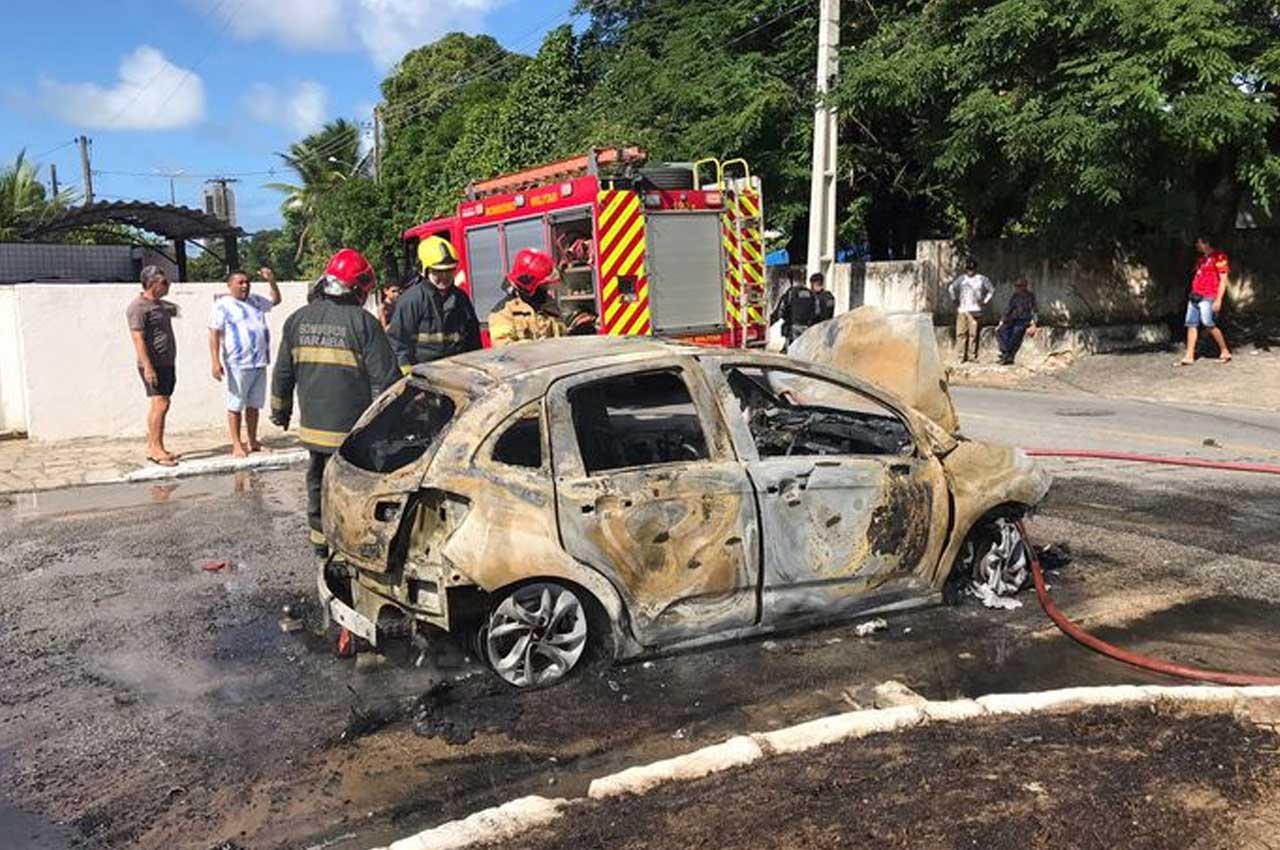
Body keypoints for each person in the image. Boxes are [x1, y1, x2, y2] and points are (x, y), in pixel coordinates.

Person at [270, 249, 400, 556]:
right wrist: (389, 427)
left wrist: (280, 411)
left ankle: (320, 548)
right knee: (353, 493)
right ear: (357, 287)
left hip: (313, 432)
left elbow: (283, 374)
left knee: (317, 486)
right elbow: (386, 381)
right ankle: (352, 550)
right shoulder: (364, 323)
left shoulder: (297, 320)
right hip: (353, 434)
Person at [209, 267, 282, 457]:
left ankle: (253, 440)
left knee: (254, 404)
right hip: (237, 363)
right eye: (240, 282)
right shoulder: (223, 305)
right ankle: (236, 443)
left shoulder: (256, 300)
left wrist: (271, 281)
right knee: (236, 404)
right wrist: (215, 361)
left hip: (259, 361)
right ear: (230, 285)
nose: (245, 286)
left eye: (247, 282)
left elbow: (276, 300)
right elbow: (214, 333)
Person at [386, 235, 481, 372]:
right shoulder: (412, 300)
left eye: (449, 271)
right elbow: (397, 342)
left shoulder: (460, 299)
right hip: (425, 376)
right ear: (424, 270)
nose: (444, 277)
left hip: (458, 374)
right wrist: (408, 373)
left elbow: (473, 339)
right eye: (438, 272)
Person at [126, 265, 180, 466]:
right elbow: (138, 339)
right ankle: (156, 449)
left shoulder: (160, 305)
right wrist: (147, 366)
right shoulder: (138, 307)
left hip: (166, 362)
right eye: (164, 282)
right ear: (152, 284)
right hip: (153, 363)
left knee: (162, 403)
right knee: (160, 403)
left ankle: (155, 445)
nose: (169, 285)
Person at [488, 248, 566, 346]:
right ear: (529, 285)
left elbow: (562, 339)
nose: (546, 290)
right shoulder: (503, 313)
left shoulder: (549, 305)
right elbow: (504, 350)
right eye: (543, 286)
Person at [1180, 235, 1232, 366]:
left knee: (1208, 323)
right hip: (1195, 294)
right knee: (1191, 324)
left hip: (1208, 295)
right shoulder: (1202, 259)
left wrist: (1218, 299)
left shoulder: (1219, 257)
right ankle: (1189, 354)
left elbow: (1223, 280)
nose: (1197, 245)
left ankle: (1224, 350)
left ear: (1206, 243)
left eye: (1199, 243)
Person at [948, 258, 993, 362]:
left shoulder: (981, 279)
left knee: (973, 334)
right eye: (968, 269)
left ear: (975, 269)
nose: (970, 271)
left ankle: (972, 356)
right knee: (961, 333)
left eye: (972, 269)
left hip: (975, 310)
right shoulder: (961, 279)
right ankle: (961, 356)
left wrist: (984, 301)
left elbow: (991, 290)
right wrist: (954, 300)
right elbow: (951, 288)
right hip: (962, 310)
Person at [996, 278, 1039, 365]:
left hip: (1023, 319)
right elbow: (1008, 309)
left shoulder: (1030, 296)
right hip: (1012, 319)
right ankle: (1006, 353)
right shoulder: (1015, 296)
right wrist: (1002, 320)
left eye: (1019, 286)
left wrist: (1034, 324)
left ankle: (1006, 355)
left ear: (1025, 286)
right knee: (1001, 330)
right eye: (1016, 286)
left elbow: (1034, 310)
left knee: (1016, 332)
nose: (1017, 288)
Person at [769, 275, 817, 351]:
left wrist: (771, 322)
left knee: (792, 351)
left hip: (793, 326)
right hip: (807, 327)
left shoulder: (790, 293)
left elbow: (781, 311)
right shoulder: (811, 294)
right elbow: (816, 312)